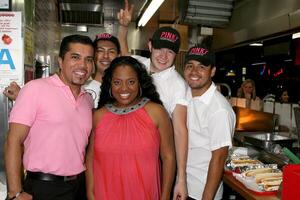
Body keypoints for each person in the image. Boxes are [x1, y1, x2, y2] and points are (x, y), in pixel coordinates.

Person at [5, 34, 94, 200]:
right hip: (43, 188)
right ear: (60, 61)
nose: (82, 65)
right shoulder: (35, 89)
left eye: (88, 59)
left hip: (78, 187)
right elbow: (13, 141)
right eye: (75, 57)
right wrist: (15, 193)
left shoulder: (87, 100)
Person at [118, 4, 188, 199]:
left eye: (170, 52)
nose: (163, 56)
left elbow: (180, 130)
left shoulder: (178, 85)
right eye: (159, 49)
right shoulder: (141, 64)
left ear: (176, 54)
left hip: (154, 157)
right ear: (150, 46)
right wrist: (123, 29)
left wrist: (181, 178)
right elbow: (124, 57)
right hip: (127, 149)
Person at [85, 56, 176, 200]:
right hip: (105, 194)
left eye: (131, 82)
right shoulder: (98, 116)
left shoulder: (157, 112)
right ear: (110, 84)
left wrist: (165, 196)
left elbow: (168, 157)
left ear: (140, 83)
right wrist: (90, 193)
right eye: (117, 82)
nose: (124, 88)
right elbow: (90, 158)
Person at [3, 33, 121, 109]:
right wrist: (25, 98)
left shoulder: (86, 97)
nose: (106, 56)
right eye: (75, 57)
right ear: (60, 61)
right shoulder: (80, 86)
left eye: (111, 51)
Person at [183, 45, 236, 200]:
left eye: (201, 67)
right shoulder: (185, 95)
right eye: (190, 66)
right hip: (183, 185)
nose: (194, 72)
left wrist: (207, 197)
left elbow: (219, 157)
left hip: (201, 191)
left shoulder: (219, 109)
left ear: (212, 71)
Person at [84, 33, 121, 108]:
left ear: (118, 56)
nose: (106, 56)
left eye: (111, 52)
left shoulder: (124, 89)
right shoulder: (83, 88)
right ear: (92, 55)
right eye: (100, 51)